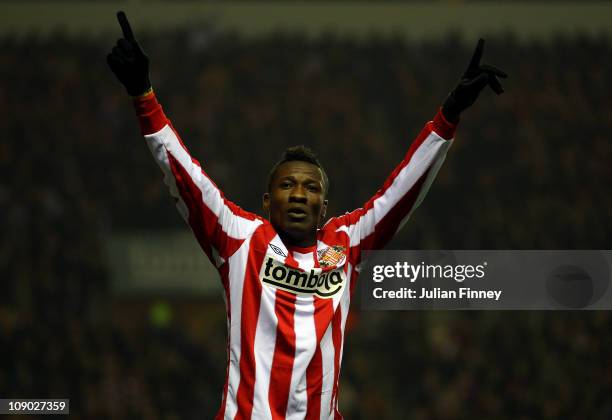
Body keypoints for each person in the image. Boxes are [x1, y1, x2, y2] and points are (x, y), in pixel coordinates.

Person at [107, 11, 506, 420]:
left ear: (324, 208)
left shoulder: (344, 245)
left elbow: (402, 193)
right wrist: (144, 96)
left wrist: (450, 114)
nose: (299, 194)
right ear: (267, 202)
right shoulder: (239, 237)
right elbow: (185, 177)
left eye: (311, 187)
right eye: (287, 185)